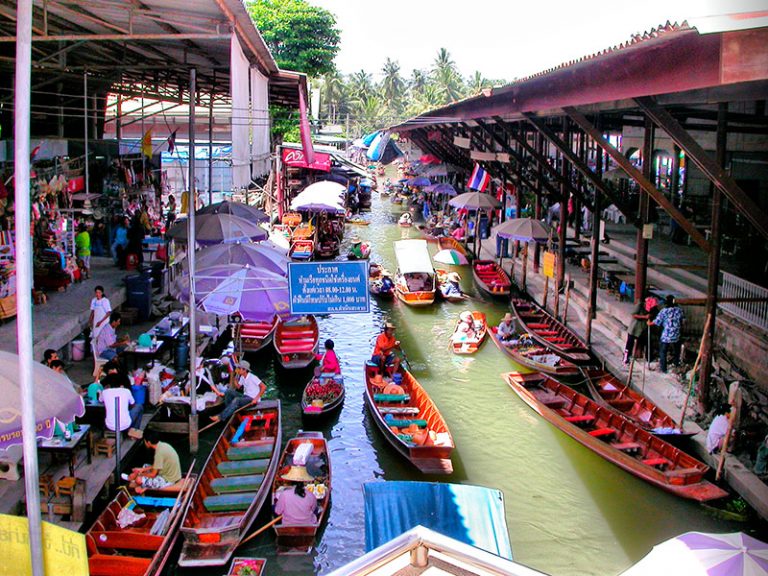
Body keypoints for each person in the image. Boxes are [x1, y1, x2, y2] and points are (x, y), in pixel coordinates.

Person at [102, 372, 143, 439]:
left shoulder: (105, 392)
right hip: (126, 424)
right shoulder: (126, 391)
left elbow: (100, 400)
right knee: (139, 406)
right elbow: (133, 404)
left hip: (109, 425)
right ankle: (133, 431)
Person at [650, 295, 684, 373]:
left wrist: (649, 323)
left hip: (666, 336)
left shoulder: (664, 311)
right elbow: (683, 321)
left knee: (663, 351)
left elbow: (657, 322)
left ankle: (663, 368)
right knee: (677, 351)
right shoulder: (679, 310)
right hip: (676, 335)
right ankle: (676, 364)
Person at [623, 298, 649, 366]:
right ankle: (625, 359)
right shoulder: (639, 305)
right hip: (634, 328)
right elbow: (634, 315)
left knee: (643, 342)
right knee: (629, 345)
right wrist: (644, 317)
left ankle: (644, 357)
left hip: (641, 329)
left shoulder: (650, 309)